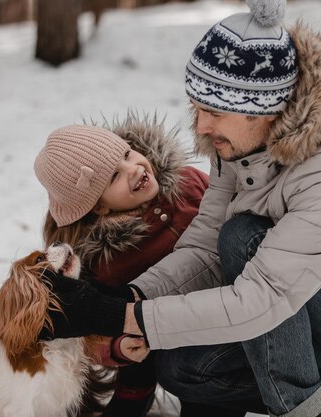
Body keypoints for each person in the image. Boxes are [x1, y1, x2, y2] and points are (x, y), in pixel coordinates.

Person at [40, 1, 321, 416]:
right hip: (318, 285)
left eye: (214, 112)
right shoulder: (240, 141)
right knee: (184, 367)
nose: (201, 128)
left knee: (244, 237)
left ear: (263, 109)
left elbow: (262, 298)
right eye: (197, 108)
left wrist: (120, 316)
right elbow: (204, 247)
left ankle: (313, 407)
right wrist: (126, 297)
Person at [33, 113, 209, 417]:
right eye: (113, 176)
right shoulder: (106, 260)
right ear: (99, 205)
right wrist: (116, 348)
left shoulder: (190, 184)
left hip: (235, 299)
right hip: (179, 342)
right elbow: (96, 325)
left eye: (127, 154)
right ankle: (133, 399)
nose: (134, 169)